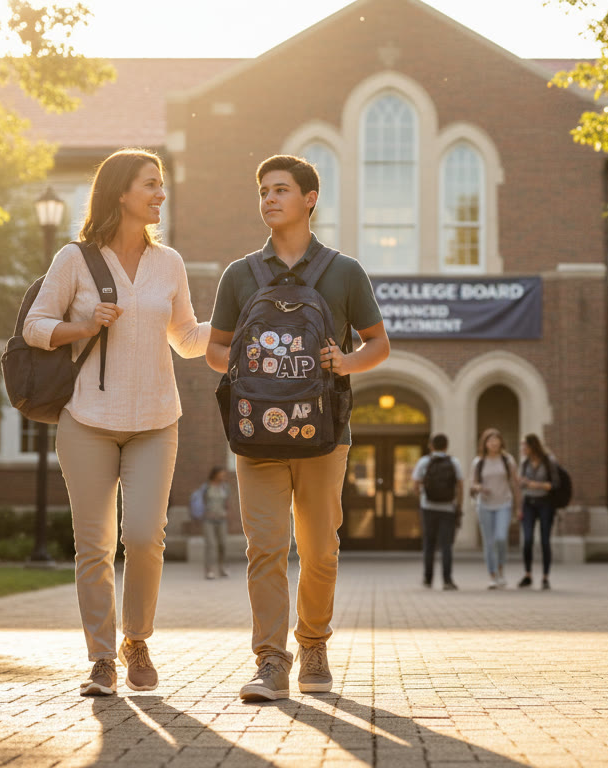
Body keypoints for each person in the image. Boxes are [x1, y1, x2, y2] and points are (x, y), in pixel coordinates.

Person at [22, 148, 210, 696]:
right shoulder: (75, 259)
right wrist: (81, 326)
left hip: (156, 418)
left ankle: (137, 639)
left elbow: (187, 338)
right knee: (95, 544)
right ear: (121, 192)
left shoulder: (169, 263)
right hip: (88, 418)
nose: (160, 194)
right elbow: (35, 325)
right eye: (151, 184)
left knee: (147, 537)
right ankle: (102, 658)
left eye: (162, 185)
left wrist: (236, 331)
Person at [206, 154, 389, 702]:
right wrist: (244, 362)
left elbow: (378, 343)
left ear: (310, 199)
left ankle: (313, 643)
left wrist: (344, 362)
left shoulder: (344, 271)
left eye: (281, 189)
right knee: (264, 548)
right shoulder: (240, 275)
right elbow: (216, 349)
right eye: (263, 190)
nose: (269, 199)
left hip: (324, 434)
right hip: (255, 432)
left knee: (318, 549)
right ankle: (270, 660)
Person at [412, 433, 464, 591]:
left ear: (431, 445)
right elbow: (460, 486)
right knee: (446, 545)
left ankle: (428, 579)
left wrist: (422, 498)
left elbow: (415, 485)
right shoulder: (454, 462)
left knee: (429, 543)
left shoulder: (424, 462)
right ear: (446, 446)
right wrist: (458, 506)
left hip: (428, 507)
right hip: (448, 508)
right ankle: (447, 580)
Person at [469, 428, 520, 590]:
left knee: (501, 538)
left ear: (500, 442)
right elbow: (473, 483)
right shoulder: (479, 461)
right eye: (490, 440)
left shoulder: (508, 460)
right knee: (489, 542)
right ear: (485, 443)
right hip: (484, 505)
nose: (494, 443)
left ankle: (501, 570)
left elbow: (515, 484)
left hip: (504, 503)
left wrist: (519, 506)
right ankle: (492, 576)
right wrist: (480, 488)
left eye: (496, 440)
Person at [516, 433, 558, 590]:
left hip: (545, 504)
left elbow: (554, 484)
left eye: (524, 446)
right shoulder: (524, 463)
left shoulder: (549, 462)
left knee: (545, 541)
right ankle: (528, 575)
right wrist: (519, 507)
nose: (522, 449)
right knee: (527, 540)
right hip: (528, 504)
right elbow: (521, 487)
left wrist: (534, 485)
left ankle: (545, 577)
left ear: (532, 446)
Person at [201, 466, 231, 580]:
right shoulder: (206, 486)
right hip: (208, 520)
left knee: (223, 544)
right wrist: (205, 513)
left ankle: (222, 568)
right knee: (211, 545)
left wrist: (227, 513)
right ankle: (209, 570)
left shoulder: (225, 487)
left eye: (224, 474)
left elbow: (227, 502)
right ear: (215, 474)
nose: (223, 476)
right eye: (221, 474)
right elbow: (201, 501)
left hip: (222, 520)